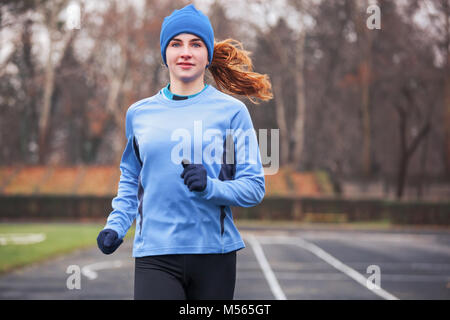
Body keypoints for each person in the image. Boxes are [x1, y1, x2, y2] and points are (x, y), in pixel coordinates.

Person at [96, 3, 272, 300]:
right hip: (155, 255)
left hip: (214, 256)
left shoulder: (232, 112)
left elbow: (254, 188)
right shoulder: (138, 114)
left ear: (208, 55)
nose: (185, 52)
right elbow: (130, 180)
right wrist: (116, 224)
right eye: (176, 43)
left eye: (196, 44)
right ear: (165, 54)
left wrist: (210, 187)